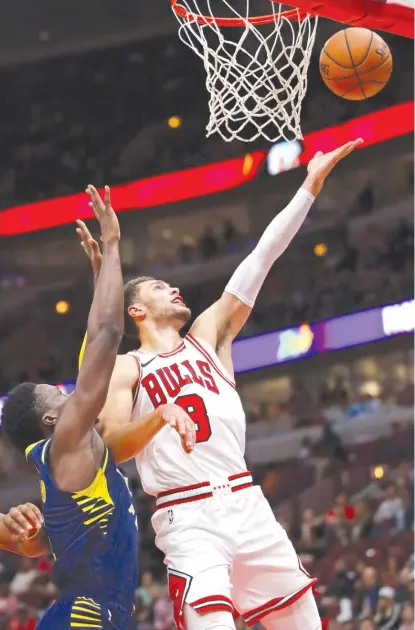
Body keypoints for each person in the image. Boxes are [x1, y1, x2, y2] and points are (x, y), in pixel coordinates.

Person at [78, 140, 362, 630]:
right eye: (158, 288)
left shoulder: (209, 335)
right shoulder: (128, 368)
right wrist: (159, 415)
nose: (174, 287)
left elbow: (261, 258)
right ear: (136, 311)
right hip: (187, 517)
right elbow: (113, 448)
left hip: (246, 501)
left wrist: (309, 188)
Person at [2, 186, 196, 630]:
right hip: (84, 619)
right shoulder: (67, 444)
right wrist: (111, 247)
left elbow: (98, 355)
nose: (68, 389)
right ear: (52, 420)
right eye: (57, 393)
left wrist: (99, 280)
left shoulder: (70, 464)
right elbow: (108, 334)